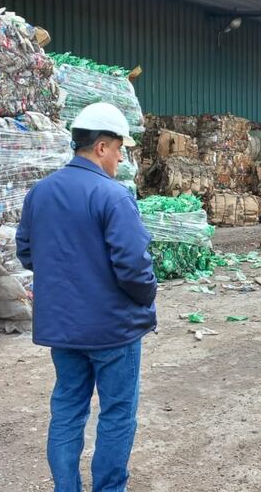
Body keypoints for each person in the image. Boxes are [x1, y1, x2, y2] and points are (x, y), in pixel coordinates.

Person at [16, 102, 156, 492]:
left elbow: (27, 252)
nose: (120, 158)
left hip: (62, 329)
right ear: (101, 147)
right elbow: (135, 267)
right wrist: (144, 300)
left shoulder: (40, 193)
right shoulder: (112, 196)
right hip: (113, 329)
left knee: (66, 411)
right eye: (118, 150)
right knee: (116, 415)